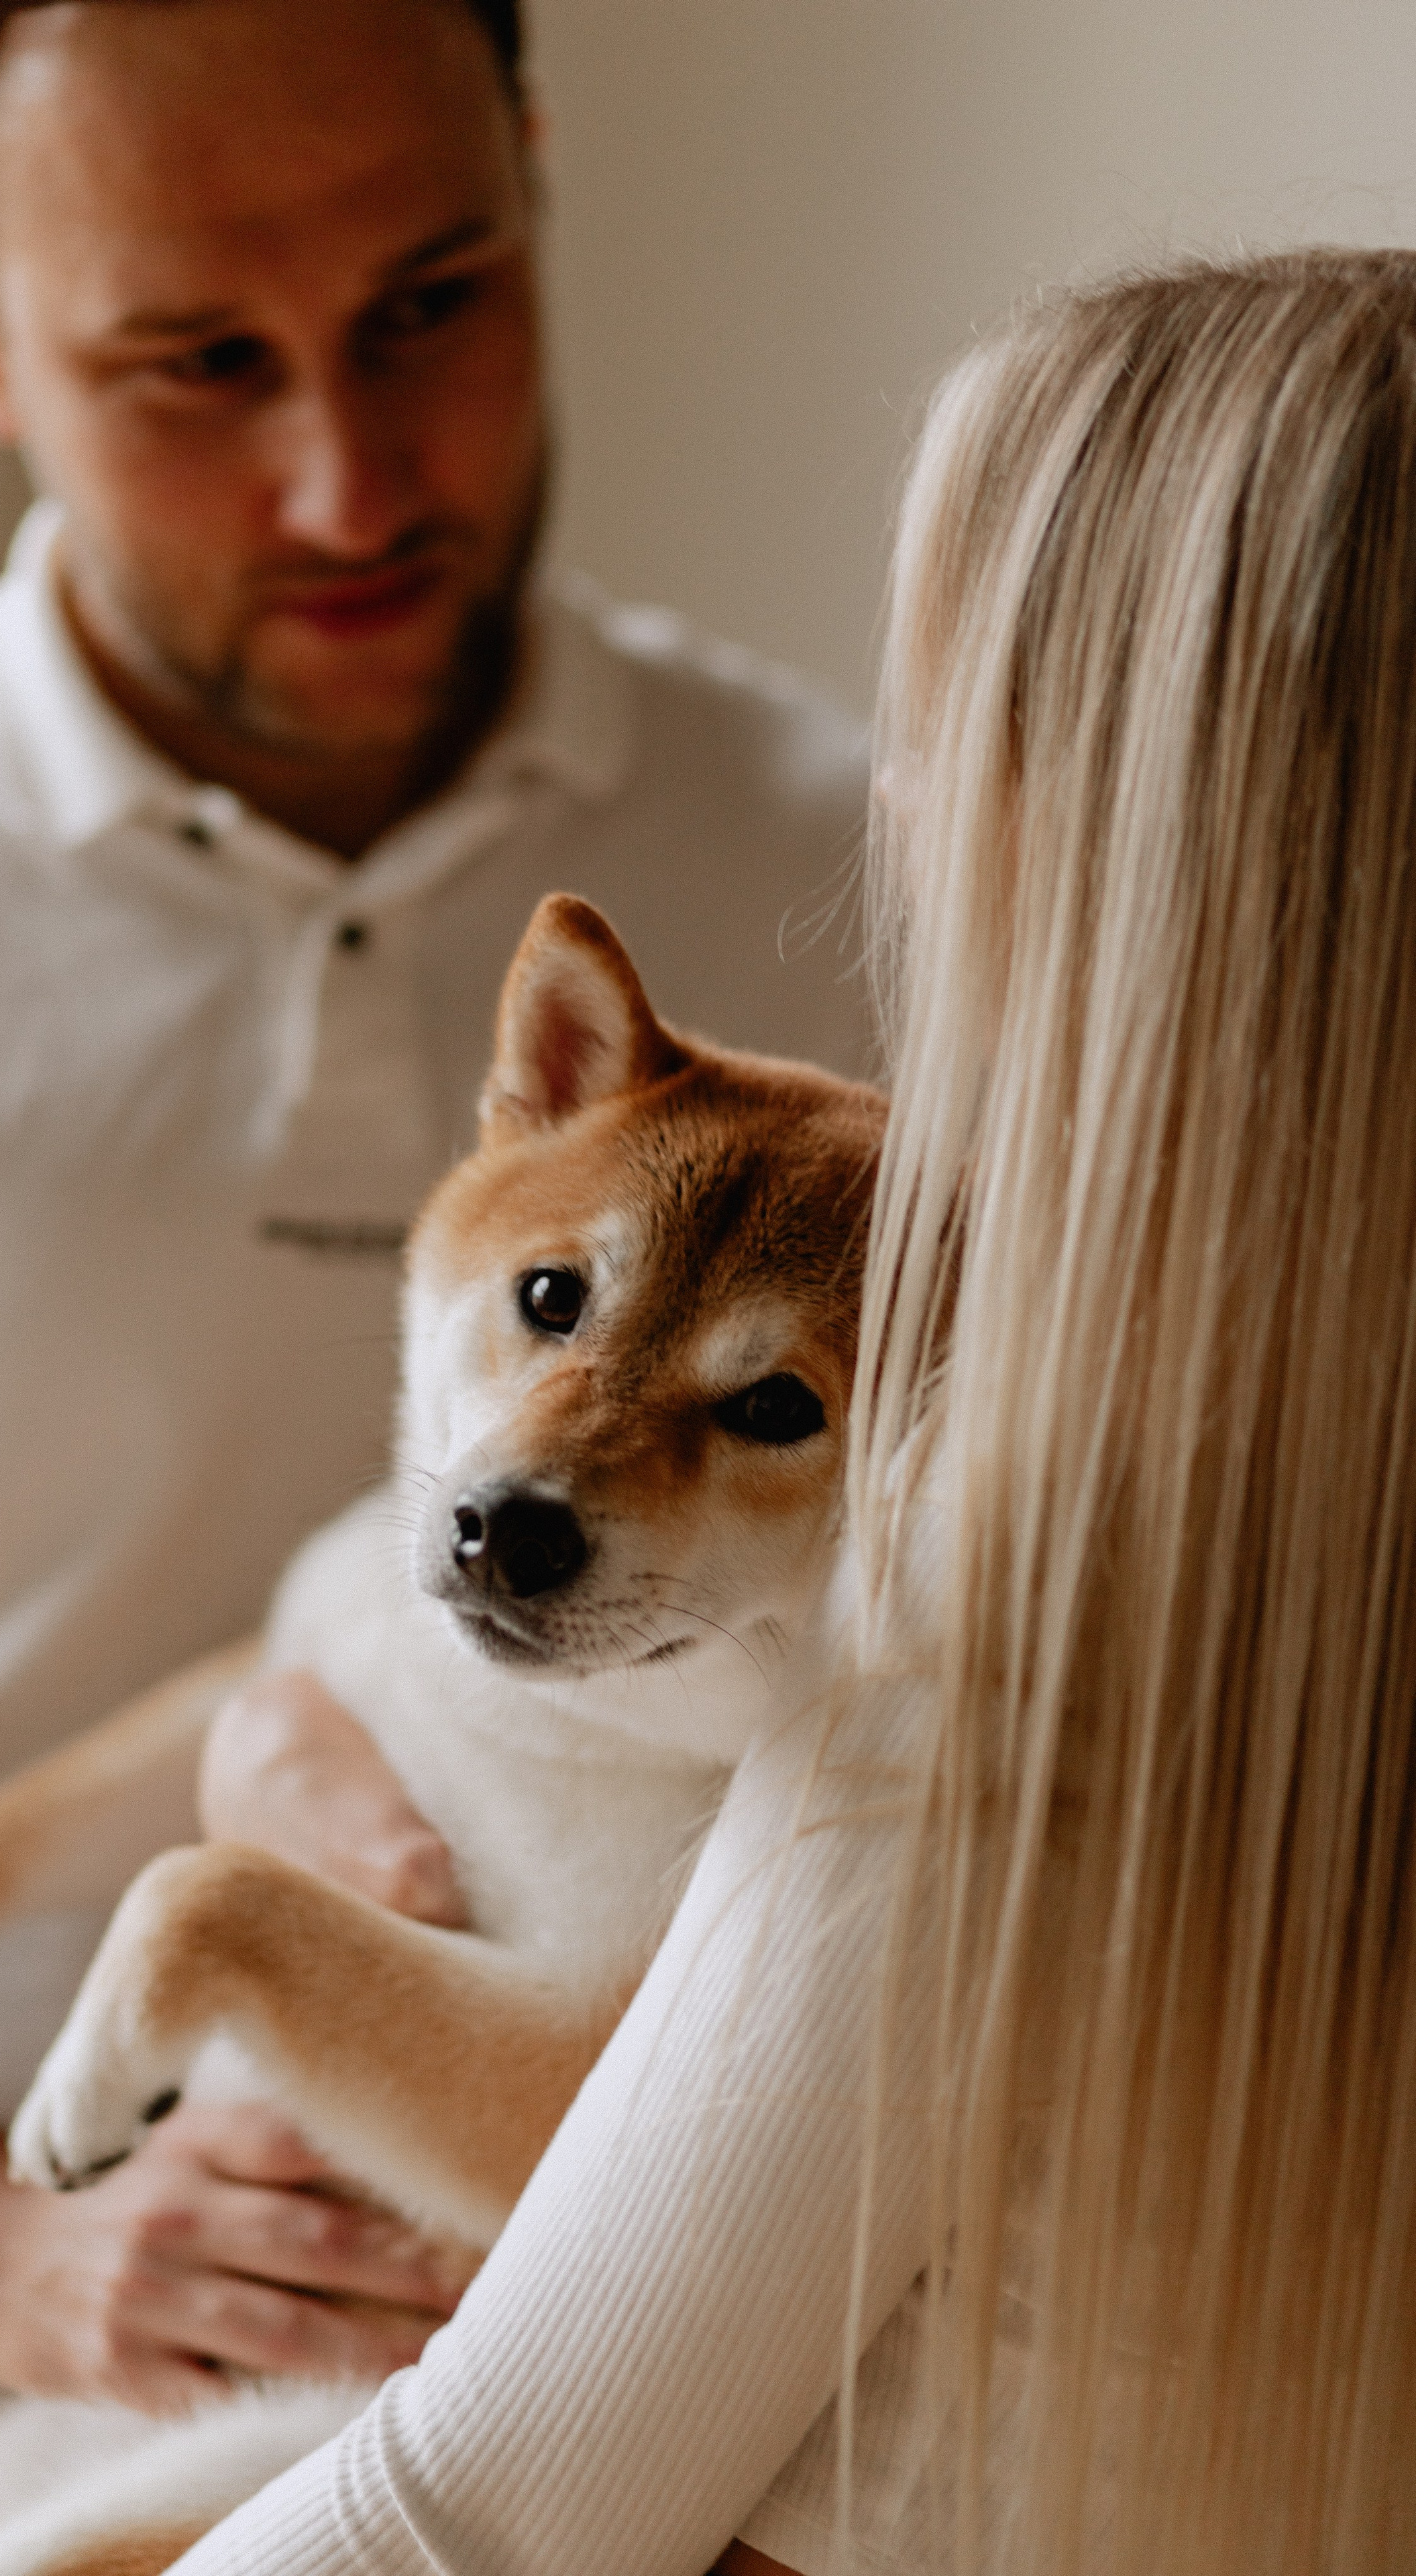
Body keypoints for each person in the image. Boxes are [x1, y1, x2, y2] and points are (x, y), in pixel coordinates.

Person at [0, 0, 875, 2563]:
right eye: (197, 361)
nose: (350, 475)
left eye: (434, 302)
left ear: (538, 187)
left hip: (585, 2393)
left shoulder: (848, 863)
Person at [144, 248, 1416, 2576]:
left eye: (940, 720)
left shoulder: (1026, 1627)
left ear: (1127, 848)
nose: (892, 801)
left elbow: (480, 2517)